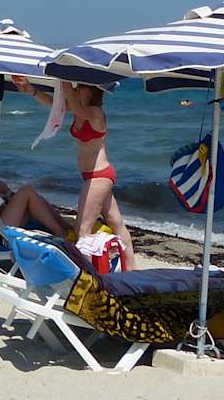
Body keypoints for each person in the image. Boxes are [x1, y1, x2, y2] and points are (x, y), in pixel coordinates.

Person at [14, 78, 136, 268]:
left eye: (81, 86)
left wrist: (66, 83)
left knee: (82, 230)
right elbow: (53, 104)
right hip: (93, 177)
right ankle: (132, 269)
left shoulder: (95, 113)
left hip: (99, 176)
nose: (77, 89)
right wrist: (30, 90)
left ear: (91, 91)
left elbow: (78, 109)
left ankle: (87, 274)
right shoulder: (79, 109)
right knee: (116, 223)